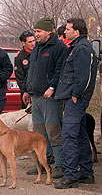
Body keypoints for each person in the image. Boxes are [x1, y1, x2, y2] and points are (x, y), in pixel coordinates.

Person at [54, 18, 98, 189]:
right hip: (72, 98)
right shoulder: (77, 47)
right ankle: (86, 172)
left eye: (68, 29)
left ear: (77, 32)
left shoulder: (82, 49)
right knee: (80, 134)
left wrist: (76, 95)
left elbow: (84, 76)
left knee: (69, 136)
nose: (65, 31)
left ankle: (70, 175)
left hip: (76, 100)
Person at [22, 17, 68, 178]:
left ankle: (60, 165)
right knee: (39, 134)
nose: (36, 35)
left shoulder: (59, 47)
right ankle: (43, 163)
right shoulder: (37, 48)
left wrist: (52, 87)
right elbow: (31, 70)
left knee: (53, 131)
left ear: (49, 32)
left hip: (50, 98)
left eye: (39, 31)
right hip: (36, 96)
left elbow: (60, 71)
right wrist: (27, 89)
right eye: (35, 31)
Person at [14, 30, 36, 109]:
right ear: (23, 43)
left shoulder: (39, 52)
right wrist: (25, 92)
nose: (33, 44)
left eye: (34, 41)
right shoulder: (20, 57)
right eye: (30, 42)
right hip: (27, 92)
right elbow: (20, 78)